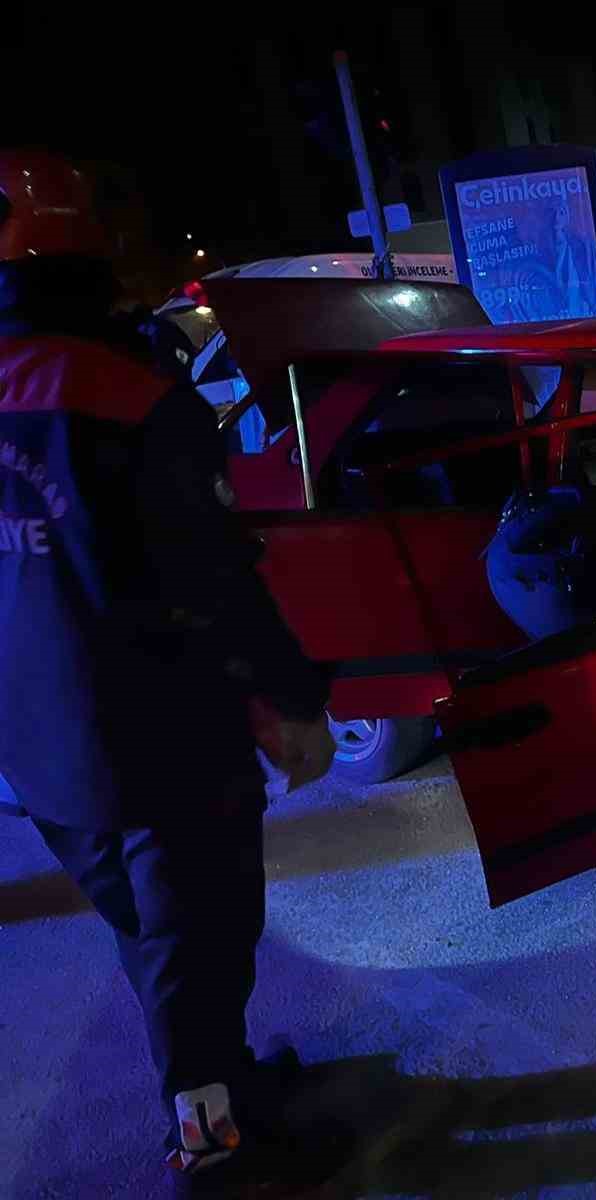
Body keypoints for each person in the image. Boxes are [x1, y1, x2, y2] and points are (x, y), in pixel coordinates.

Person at [0, 151, 335, 1194]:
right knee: (200, 946)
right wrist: (296, 704)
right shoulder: (132, 397)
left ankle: (222, 1090)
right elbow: (215, 578)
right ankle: (214, 1150)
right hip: (162, 745)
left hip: (39, 750)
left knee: (152, 938)